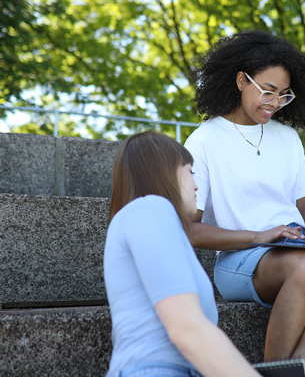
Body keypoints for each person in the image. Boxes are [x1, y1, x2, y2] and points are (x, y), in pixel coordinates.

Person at [184, 30, 305, 377]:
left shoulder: (287, 138)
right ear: (242, 81)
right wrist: (260, 236)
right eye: (267, 92)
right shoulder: (205, 140)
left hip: (296, 243)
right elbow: (191, 230)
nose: (273, 103)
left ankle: (293, 373)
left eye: (283, 95)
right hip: (240, 257)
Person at [104, 131, 262, 377]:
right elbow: (186, 328)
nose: (196, 183)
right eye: (190, 170)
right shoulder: (152, 208)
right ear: (163, 171)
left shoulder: (149, 218)